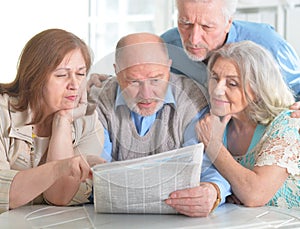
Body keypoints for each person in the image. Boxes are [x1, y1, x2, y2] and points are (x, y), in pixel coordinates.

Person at [89, 32, 231, 217]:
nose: (146, 94)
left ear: (169, 67)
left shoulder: (193, 100)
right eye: (134, 81)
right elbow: (99, 177)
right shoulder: (98, 102)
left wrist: (213, 191)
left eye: (156, 79)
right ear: (116, 71)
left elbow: (205, 168)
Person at [0, 29, 105, 214]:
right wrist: (60, 168)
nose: (74, 84)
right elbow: (6, 195)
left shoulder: (89, 122)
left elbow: (59, 196)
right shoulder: (3, 113)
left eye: (80, 74)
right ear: (34, 77)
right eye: (62, 75)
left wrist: (63, 121)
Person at [196, 41, 300, 208]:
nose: (217, 90)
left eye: (232, 83)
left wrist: (213, 145)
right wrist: (231, 190)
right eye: (215, 78)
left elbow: (254, 194)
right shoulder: (214, 124)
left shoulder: (286, 123)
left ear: (259, 89)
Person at [161, 0, 300, 102]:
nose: (194, 39)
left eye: (207, 26)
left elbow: (297, 90)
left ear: (228, 22)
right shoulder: (166, 47)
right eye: (185, 24)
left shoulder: (268, 43)